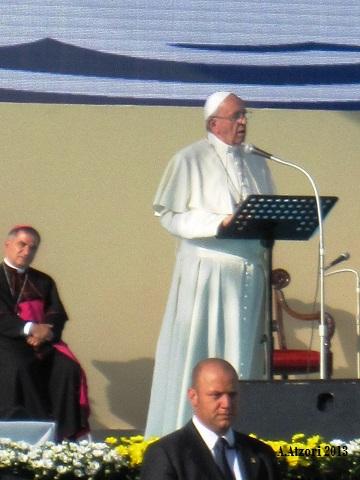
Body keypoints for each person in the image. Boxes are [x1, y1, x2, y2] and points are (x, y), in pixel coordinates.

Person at [145, 92, 275, 437]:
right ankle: (185, 434)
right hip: (208, 271)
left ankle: (245, 432)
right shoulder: (189, 158)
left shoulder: (257, 161)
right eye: (235, 116)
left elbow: (269, 212)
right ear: (213, 123)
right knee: (202, 348)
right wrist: (217, 223)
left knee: (245, 352)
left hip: (250, 272)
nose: (243, 122)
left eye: (245, 115)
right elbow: (169, 214)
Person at [0, 225, 90, 440]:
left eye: (33, 248)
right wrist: (30, 328)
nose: (26, 251)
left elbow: (57, 313)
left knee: (68, 368)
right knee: (20, 366)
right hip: (6, 341)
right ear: (8, 245)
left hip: (43, 342)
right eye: (22, 245)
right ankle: (29, 429)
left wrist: (46, 331)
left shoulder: (44, 280)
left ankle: (63, 433)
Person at [141, 358, 280, 480]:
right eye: (216, 395)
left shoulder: (261, 454)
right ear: (193, 397)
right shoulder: (167, 455)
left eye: (232, 395)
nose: (226, 404)